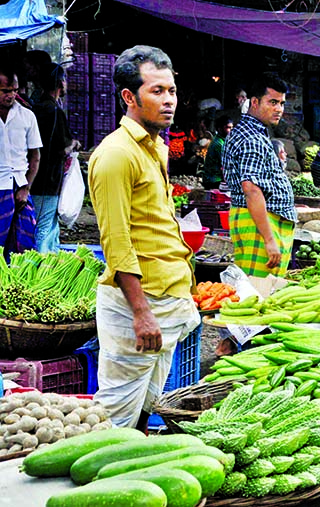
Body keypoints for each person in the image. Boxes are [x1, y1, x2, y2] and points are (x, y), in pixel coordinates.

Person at [88, 46, 200, 430]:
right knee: (115, 416)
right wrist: (141, 312)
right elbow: (116, 241)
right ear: (129, 97)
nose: (169, 100)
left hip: (165, 297)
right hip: (139, 303)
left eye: (171, 90)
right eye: (157, 91)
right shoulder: (116, 154)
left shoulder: (155, 147)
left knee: (145, 405)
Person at [222, 73, 297, 278]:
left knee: (260, 293)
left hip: (259, 222)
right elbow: (252, 190)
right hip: (259, 225)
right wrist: (269, 239)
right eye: (272, 102)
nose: (279, 109)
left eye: (281, 103)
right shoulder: (252, 139)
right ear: (254, 102)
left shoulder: (250, 132)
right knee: (257, 295)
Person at [32, 63, 81, 253]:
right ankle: (41, 266)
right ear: (61, 83)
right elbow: (61, 149)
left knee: (46, 223)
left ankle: (48, 260)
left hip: (37, 178)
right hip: (47, 179)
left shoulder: (38, 107)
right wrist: (74, 145)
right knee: (44, 225)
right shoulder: (52, 111)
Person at [0, 66, 41, 256]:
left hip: (19, 187)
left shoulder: (27, 116)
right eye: (5, 91)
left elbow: (35, 156)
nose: (11, 96)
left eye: (15, 91)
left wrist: (26, 188)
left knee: (23, 246)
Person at [201, 115, 232, 190]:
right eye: (228, 127)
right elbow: (226, 164)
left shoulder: (222, 140)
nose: (231, 130)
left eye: (231, 127)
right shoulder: (219, 143)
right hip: (214, 180)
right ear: (220, 128)